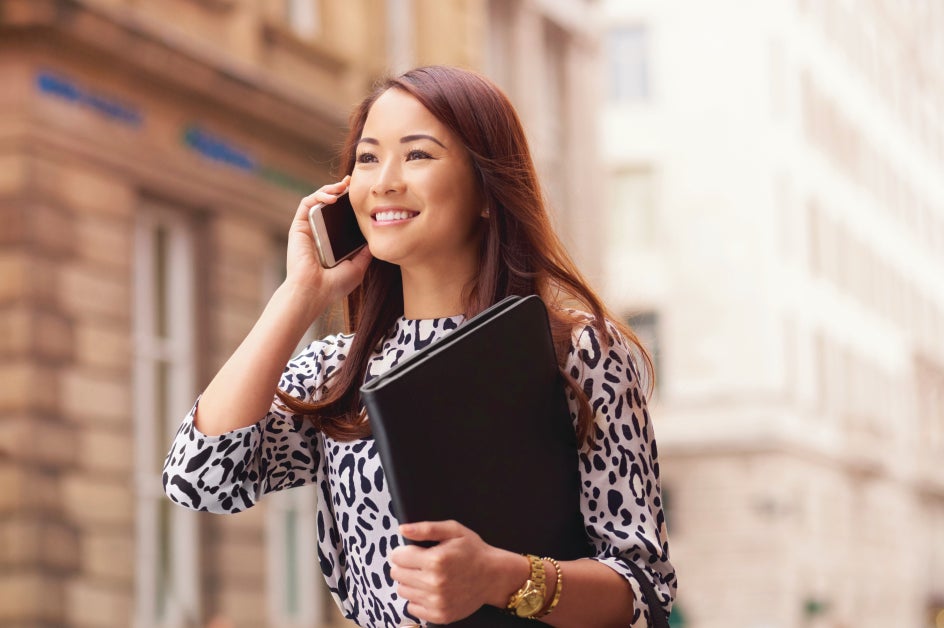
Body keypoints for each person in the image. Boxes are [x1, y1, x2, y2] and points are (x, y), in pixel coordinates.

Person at [162, 65, 675, 627]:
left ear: (487, 190)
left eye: (418, 155)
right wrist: (299, 294)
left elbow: (643, 589)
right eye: (367, 158)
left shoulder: (577, 352)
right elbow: (199, 477)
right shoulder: (340, 371)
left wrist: (504, 577)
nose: (384, 180)